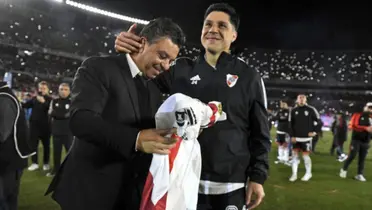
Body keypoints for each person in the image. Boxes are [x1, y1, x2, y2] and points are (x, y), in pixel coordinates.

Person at [115, 3, 270, 210]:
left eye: (222, 26)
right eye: (208, 24)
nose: (212, 30)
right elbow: (139, 74)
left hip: (230, 184)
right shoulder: (179, 69)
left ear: (234, 35)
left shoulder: (249, 77)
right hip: (181, 180)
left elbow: (260, 132)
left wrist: (257, 177)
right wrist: (130, 51)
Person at [46, 17, 186, 210]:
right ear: (143, 43)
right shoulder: (98, 67)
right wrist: (136, 139)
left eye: (171, 60)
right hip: (90, 192)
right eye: (162, 56)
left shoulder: (154, 86)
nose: (166, 66)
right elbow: (81, 120)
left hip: (129, 194)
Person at [0, 80, 36, 210]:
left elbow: (2, 133)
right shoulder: (4, 96)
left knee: (4, 200)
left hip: (8, 161)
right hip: (9, 159)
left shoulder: (4, 99)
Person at [288, 94, 320, 182]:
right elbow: (290, 125)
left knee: (305, 157)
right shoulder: (293, 110)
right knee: (295, 156)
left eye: (303, 98)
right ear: (297, 100)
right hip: (296, 138)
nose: (301, 99)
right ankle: (294, 174)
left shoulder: (311, 109)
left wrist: (314, 132)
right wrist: (292, 136)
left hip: (306, 139)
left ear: (305, 100)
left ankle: (308, 173)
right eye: (299, 98)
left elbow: (319, 121)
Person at [23, 81, 52, 172]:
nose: (42, 90)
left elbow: (51, 111)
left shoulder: (51, 100)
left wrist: (43, 102)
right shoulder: (34, 99)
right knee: (33, 145)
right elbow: (25, 105)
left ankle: (46, 163)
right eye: (40, 88)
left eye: (44, 88)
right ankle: (34, 163)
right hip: (34, 126)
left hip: (46, 127)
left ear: (48, 89)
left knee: (46, 146)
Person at [339, 103, 372, 181]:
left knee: (362, 158)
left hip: (366, 141)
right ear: (365, 107)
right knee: (352, 155)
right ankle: (344, 169)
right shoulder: (357, 115)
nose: (370, 109)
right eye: (369, 107)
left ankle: (359, 174)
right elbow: (354, 125)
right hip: (356, 140)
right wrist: (365, 128)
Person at [46, 83, 73, 177]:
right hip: (56, 131)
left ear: (69, 91)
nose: (63, 91)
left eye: (66, 89)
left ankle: (70, 171)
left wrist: (58, 114)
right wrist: (63, 115)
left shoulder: (72, 102)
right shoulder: (54, 101)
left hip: (68, 132)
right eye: (61, 89)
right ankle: (56, 170)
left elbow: (70, 115)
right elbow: (51, 113)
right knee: (56, 153)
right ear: (58, 90)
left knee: (69, 153)